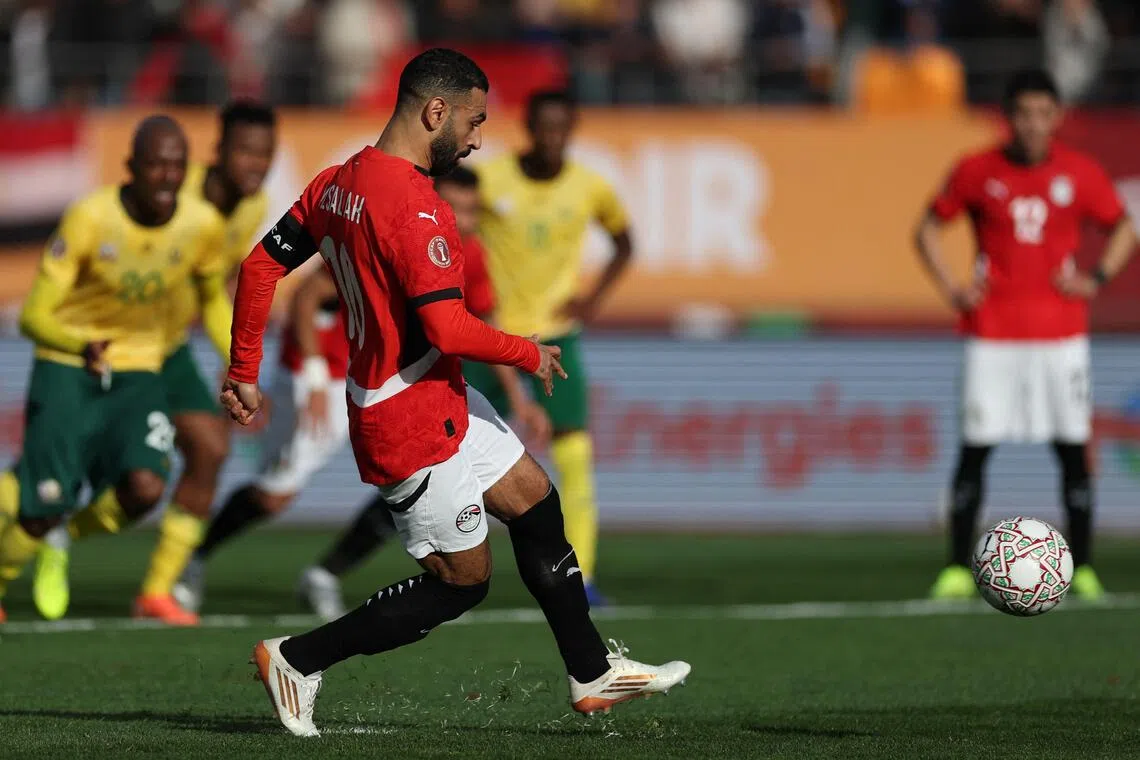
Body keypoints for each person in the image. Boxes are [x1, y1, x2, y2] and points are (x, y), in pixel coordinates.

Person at [221, 48, 689, 737]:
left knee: (535, 503)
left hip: (438, 395)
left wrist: (243, 369)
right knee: (462, 582)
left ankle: (591, 673)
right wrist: (528, 351)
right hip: (403, 417)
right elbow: (448, 325)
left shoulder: (337, 181)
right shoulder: (419, 210)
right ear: (434, 110)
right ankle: (298, 658)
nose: (477, 140)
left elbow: (261, 266)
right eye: (473, 121)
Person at [173, 165, 552, 622]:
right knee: (276, 494)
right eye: (457, 205)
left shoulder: (467, 252)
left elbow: (480, 325)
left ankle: (323, 574)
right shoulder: (408, 231)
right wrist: (312, 378)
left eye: (473, 209)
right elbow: (306, 294)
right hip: (337, 378)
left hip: (392, 386)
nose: (465, 217)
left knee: (422, 475)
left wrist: (520, 394)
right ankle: (195, 562)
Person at [31, 102, 277, 625]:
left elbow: (216, 288)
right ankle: (41, 531)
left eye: (267, 154)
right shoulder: (169, 194)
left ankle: (156, 589)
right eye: (247, 151)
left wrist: (239, 363)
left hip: (169, 350)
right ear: (218, 152)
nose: (258, 164)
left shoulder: (252, 210)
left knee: (210, 448)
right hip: (113, 350)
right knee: (88, 475)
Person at [915, 69, 1138, 601]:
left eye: (1044, 114)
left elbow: (1124, 226)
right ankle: (955, 568)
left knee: (1071, 449)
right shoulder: (976, 170)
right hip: (991, 332)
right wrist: (951, 287)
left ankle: (1082, 566)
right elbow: (926, 227)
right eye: (1024, 114)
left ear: (1057, 117)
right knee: (975, 449)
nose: (1034, 125)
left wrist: (1095, 277)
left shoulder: (1079, 173)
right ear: (1009, 117)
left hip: (1061, 336)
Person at [467, 90, 634, 607]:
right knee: (440, 454)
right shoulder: (492, 179)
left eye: (562, 128)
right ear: (528, 127)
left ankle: (580, 577)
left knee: (576, 458)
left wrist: (592, 300)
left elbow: (625, 242)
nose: (552, 137)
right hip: (489, 339)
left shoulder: (590, 187)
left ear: (573, 128)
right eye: (543, 127)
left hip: (556, 340)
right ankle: (444, 566)